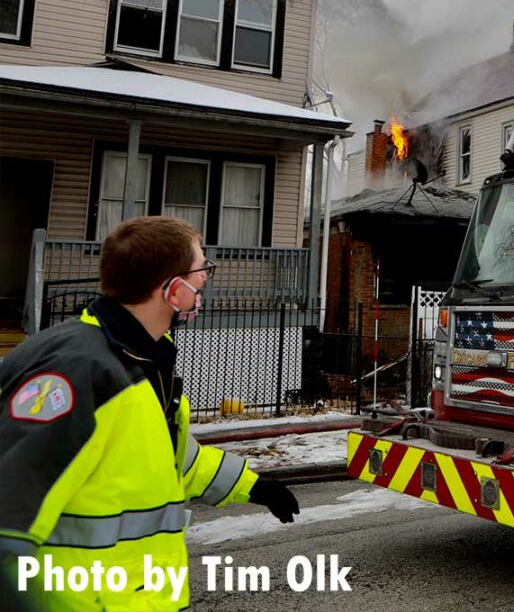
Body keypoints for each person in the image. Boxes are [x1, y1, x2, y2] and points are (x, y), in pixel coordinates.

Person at [1, 216, 299, 611]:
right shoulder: (78, 372)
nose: (206, 280)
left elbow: (166, 460)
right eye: (202, 269)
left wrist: (255, 487)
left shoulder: (143, 360)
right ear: (173, 290)